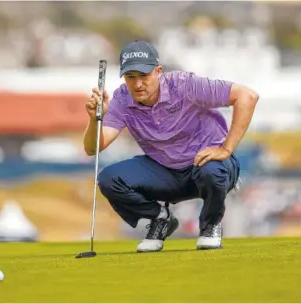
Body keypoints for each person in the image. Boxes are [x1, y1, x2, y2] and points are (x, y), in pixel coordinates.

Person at [84, 40, 259, 252]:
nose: (138, 84)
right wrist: (95, 119)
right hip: (165, 173)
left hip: (207, 164)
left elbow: (247, 96)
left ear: (158, 71)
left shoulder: (185, 85)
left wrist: (226, 148)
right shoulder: (122, 99)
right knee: (109, 179)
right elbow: (94, 147)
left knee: (211, 171)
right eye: (131, 77)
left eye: (144, 76)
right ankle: (160, 219)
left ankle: (210, 225)